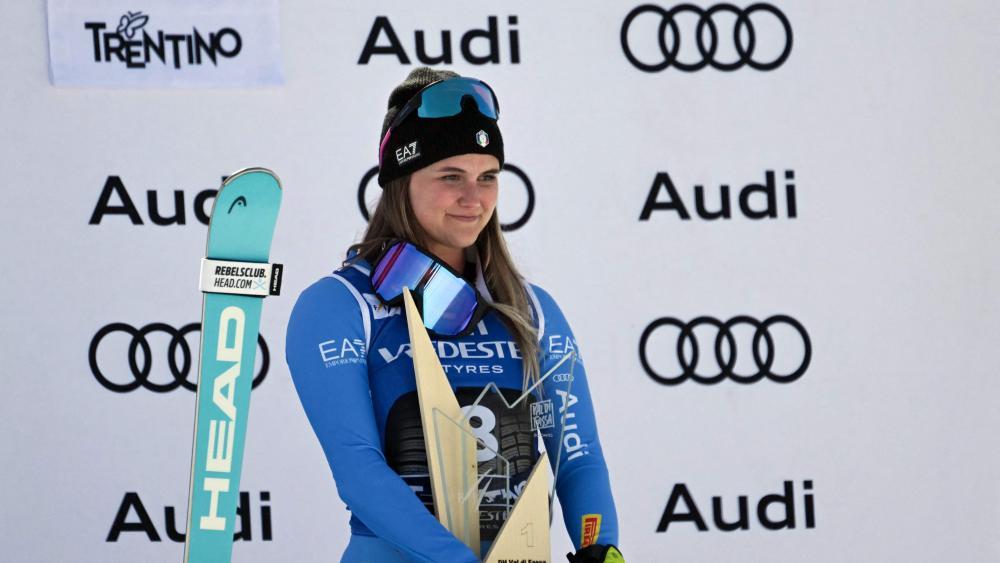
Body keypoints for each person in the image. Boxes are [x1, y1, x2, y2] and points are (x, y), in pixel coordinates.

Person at [285, 67, 623, 563]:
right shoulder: (338, 307)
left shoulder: (530, 309)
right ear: (401, 182)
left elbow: (578, 456)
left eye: (488, 177)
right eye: (450, 177)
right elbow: (360, 474)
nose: (474, 198)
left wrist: (601, 549)